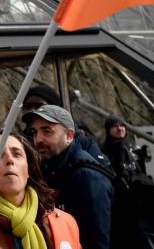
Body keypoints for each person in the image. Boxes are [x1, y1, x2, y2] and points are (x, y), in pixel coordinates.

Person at [24, 104, 112, 249]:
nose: (38, 139)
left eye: (47, 131)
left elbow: (96, 240)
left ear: (69, 135)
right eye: (34, 132)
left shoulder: (86, 177)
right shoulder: (51, 168)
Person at [102, 115, 154, 249]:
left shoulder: (131, 148)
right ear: (108, 129)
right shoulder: (110, 150)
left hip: (138, 205)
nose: (119, 129)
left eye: (122, 125)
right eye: (115, 126)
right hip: (124, 205)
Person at [22, 85, 110, 170]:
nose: (33, 110)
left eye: (39, 106)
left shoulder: (83, 142)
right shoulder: (20, 142)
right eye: (28, 106)